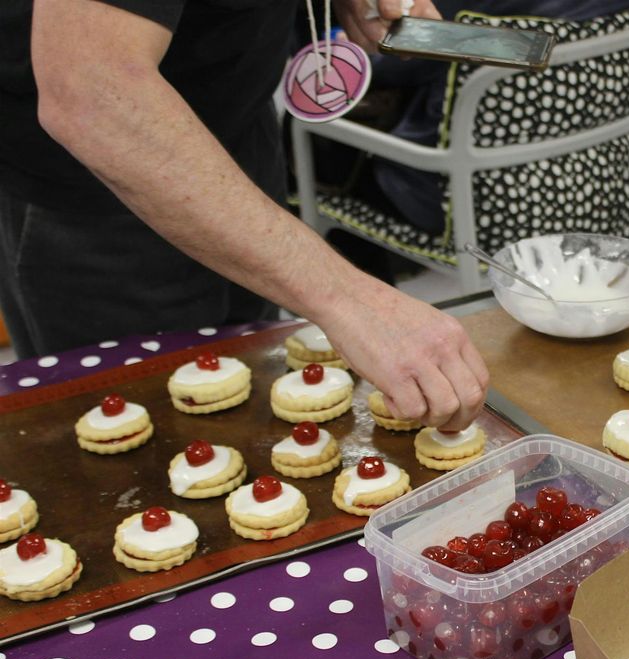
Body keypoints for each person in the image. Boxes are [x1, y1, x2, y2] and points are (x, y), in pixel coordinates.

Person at [0, 0, 487, 432]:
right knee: (137, 447)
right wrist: (350, 298)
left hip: (238, 147)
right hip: (100, 205)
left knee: (248, 412)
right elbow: (89, 90)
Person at [368, 0, 629, 234]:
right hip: (603, 188)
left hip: (466, 203)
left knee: (335, 129)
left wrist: (348, 45)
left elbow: (397, 62)